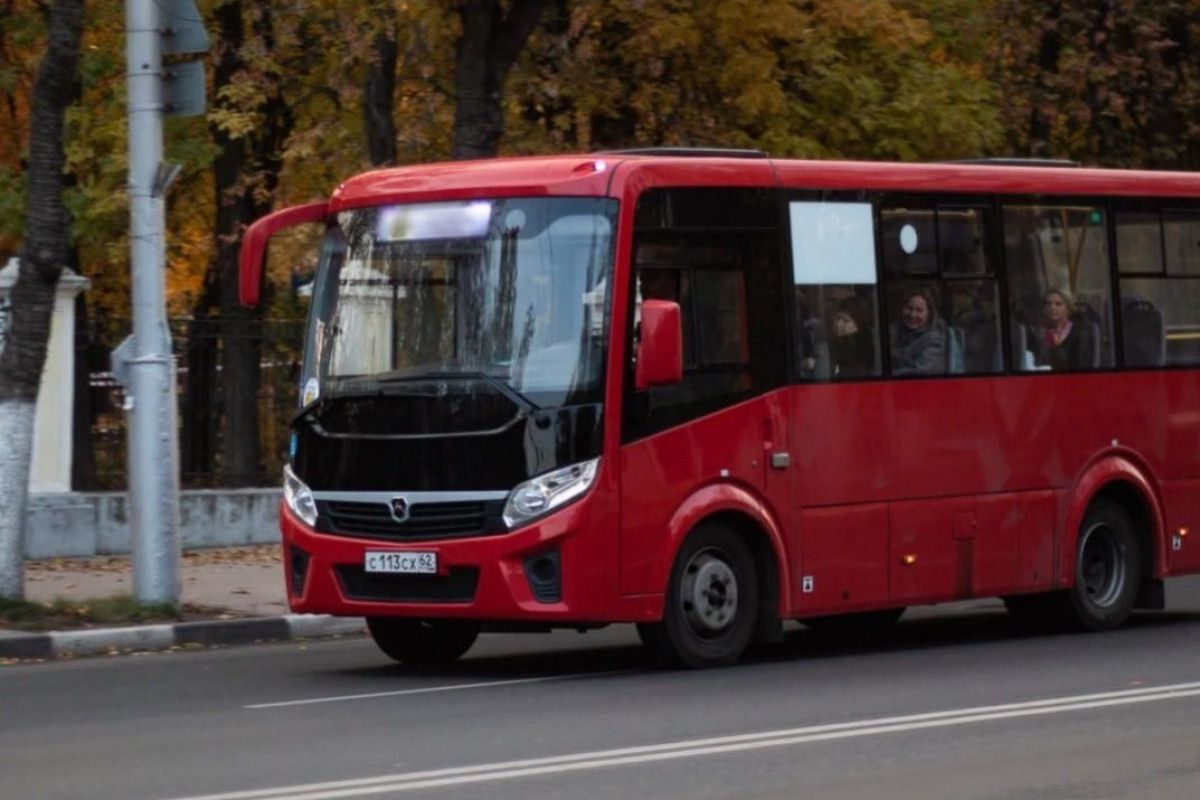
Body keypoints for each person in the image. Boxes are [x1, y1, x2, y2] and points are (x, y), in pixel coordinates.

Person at [1029, 287, 1096, 371]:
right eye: (1048, 304)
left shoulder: (1081, 332)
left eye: (1058, 304)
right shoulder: (1036, 333)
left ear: (1068, 308)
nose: (1052, 307)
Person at [889, 286, 945, 375]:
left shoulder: (934, 341)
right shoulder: (895, 331)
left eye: (919, 310)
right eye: (909, 308)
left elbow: (921, 371)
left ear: (929, 314)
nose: (912, 314)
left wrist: (890, 374)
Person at [829, 295, 875, 379]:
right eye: (837, 318)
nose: (838, 324)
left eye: (845, 320)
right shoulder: (832, 342)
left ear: (859, 324)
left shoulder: (861, 350)